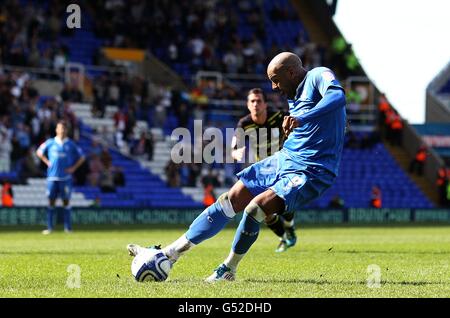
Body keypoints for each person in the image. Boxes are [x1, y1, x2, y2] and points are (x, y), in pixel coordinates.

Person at [127, 52, 347, 282]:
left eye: (276, 80)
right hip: (285, 159)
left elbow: (338, 96)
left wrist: (305, 118)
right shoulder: (293, 91)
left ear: (291, 72)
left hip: (312, 170)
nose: (273, 87)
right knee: (230, 199)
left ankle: (229, 269)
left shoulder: (318, 75)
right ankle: (170, 254)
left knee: (255, 208)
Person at [231, 87, 296, 253]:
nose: (255, 104)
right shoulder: (244, 123)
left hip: (284, 165)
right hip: (265, 170)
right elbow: (235, 144)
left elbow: (295, 127)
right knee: (266, 212)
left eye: (259, 101)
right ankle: (285, 238)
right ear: (247, 105)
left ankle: (289, 229)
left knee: (286, 206)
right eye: (252, 101)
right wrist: (236, 151)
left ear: (265, 104)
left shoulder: (278, 116)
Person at [36, 120, 85, 234]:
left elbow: (82, 157)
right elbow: (39, 152)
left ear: (66, 130)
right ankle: (49, 227)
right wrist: (46, 161)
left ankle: (68, 228)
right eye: (60, 128)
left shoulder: (71, 144)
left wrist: (73, 168)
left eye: (64, 128)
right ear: (56, 130)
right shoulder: (50, 142)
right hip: (52, 177)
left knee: (66, 202)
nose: (62, 130)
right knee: (51, 201)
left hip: (66, 178)